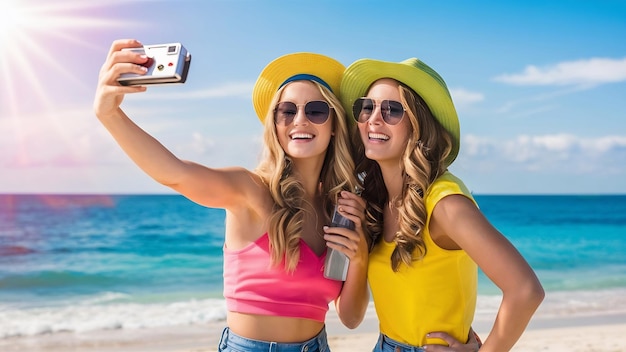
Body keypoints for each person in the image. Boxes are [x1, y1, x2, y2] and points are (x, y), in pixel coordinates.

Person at [93, 39, 370, 352]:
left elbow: (350, 317)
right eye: (287, 111)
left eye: (317, 110)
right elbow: (175, 174)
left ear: (334, 125)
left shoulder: (340, 209)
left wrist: (359, 259)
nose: (300, 120)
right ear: (275, 125)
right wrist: (110, 115)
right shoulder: (249, 189)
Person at [339, 57, 545, 352]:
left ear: (419, 125)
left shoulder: (446, 203)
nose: (374, 118)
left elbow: (525, 291)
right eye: (367, 107)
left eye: (392, 110)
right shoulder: (375, 200)